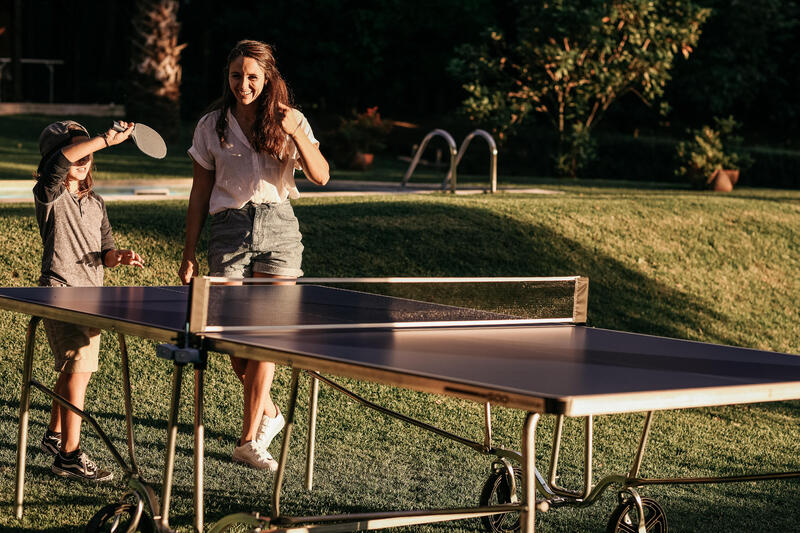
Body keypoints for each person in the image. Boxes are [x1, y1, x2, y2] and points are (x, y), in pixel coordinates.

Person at [179, 40, 330, 470]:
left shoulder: (289, 120)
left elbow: (320, 176)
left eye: (252, 77)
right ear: (226, 78)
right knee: (233, 344)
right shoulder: (212, 125)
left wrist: (297, 132)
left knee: (263, 336)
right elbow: (199, 192)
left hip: (279, 229)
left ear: (267, 79)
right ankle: (271, 413)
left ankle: (248, 441)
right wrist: (189, 252)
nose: (243, 84)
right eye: (235, 76)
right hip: (228, 232)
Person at [35, 119, 145, 482]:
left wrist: (120, 257)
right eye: (76, 151)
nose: (84, 158)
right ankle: (69, 456)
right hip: (60, 292)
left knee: (74, 371)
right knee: (79, 373)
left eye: (87, 152)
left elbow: (106, 251)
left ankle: (54, 435)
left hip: (92, 297)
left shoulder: (96, 203)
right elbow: (57, 166)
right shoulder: (50, 194)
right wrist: (102, 140)